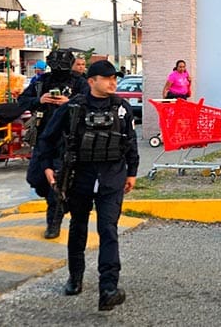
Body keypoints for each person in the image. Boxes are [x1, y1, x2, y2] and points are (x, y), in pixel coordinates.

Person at [38, 60, 138, 311]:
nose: (113, 82)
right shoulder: (72, 108)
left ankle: (108, 288)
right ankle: (75, 278)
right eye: (107, 78)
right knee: (78, 227)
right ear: (92, 81)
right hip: (80, 177)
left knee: (108, 229)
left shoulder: (122, 108)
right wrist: (47, 166)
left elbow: (130, 141)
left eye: (114, 78)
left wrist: (132, 172)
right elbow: (46, 139)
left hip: (112, 177)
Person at [18, 49, 90, 239]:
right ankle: (63, 203)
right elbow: (22, 101)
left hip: (68, 139)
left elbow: (90, 103)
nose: (59, 68)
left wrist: (69, 102)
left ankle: (53, 223)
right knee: (36, 178)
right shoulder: (42, 82)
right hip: (44, 138)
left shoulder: (79, 82)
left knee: (56, 184)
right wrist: (39, 100)